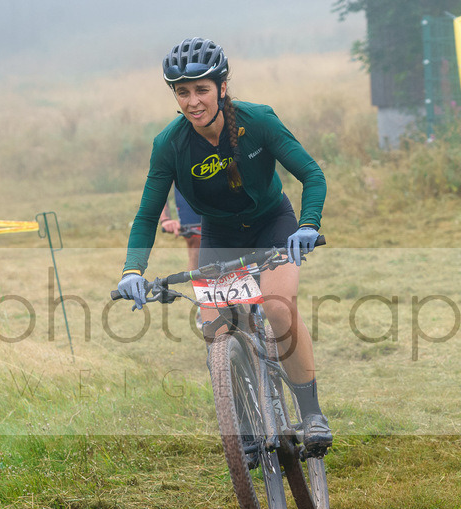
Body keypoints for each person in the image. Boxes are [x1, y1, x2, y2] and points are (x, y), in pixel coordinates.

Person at [116, 37, 333, 453]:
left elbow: (312, 174)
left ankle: (311, 413)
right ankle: (247, 422)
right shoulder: (170, 145)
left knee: (276, 306)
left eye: (201, 89)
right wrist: (132, 270)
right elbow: (146, 215)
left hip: (273, 224)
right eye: (182, 92)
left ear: (222, 86)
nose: (193, 101)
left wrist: (307, 225)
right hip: (219, 235)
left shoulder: (259, 121)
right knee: (215, 326)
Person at [159, 185, 202, 272]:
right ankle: (199, 284)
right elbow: (158, 184)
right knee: (196, 251)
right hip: (189, 198)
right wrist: (165, 219)